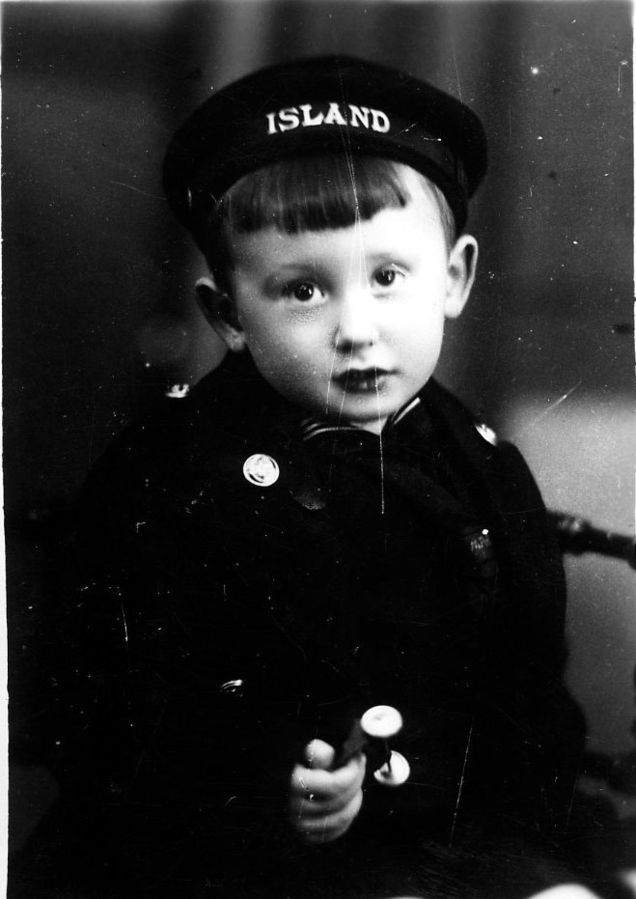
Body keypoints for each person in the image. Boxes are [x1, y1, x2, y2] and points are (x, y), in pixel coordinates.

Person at [11, 55, 623, 899]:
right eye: (303, 290)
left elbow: (529, 711)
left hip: (451, 849)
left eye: (387, 277)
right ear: (228, 314)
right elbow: (97, 720)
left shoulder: (480, 465)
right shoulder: (171, 476)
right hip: (229, 863)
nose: (356, 328)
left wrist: (538, 862)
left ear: (453, 279)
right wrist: (272, 782)